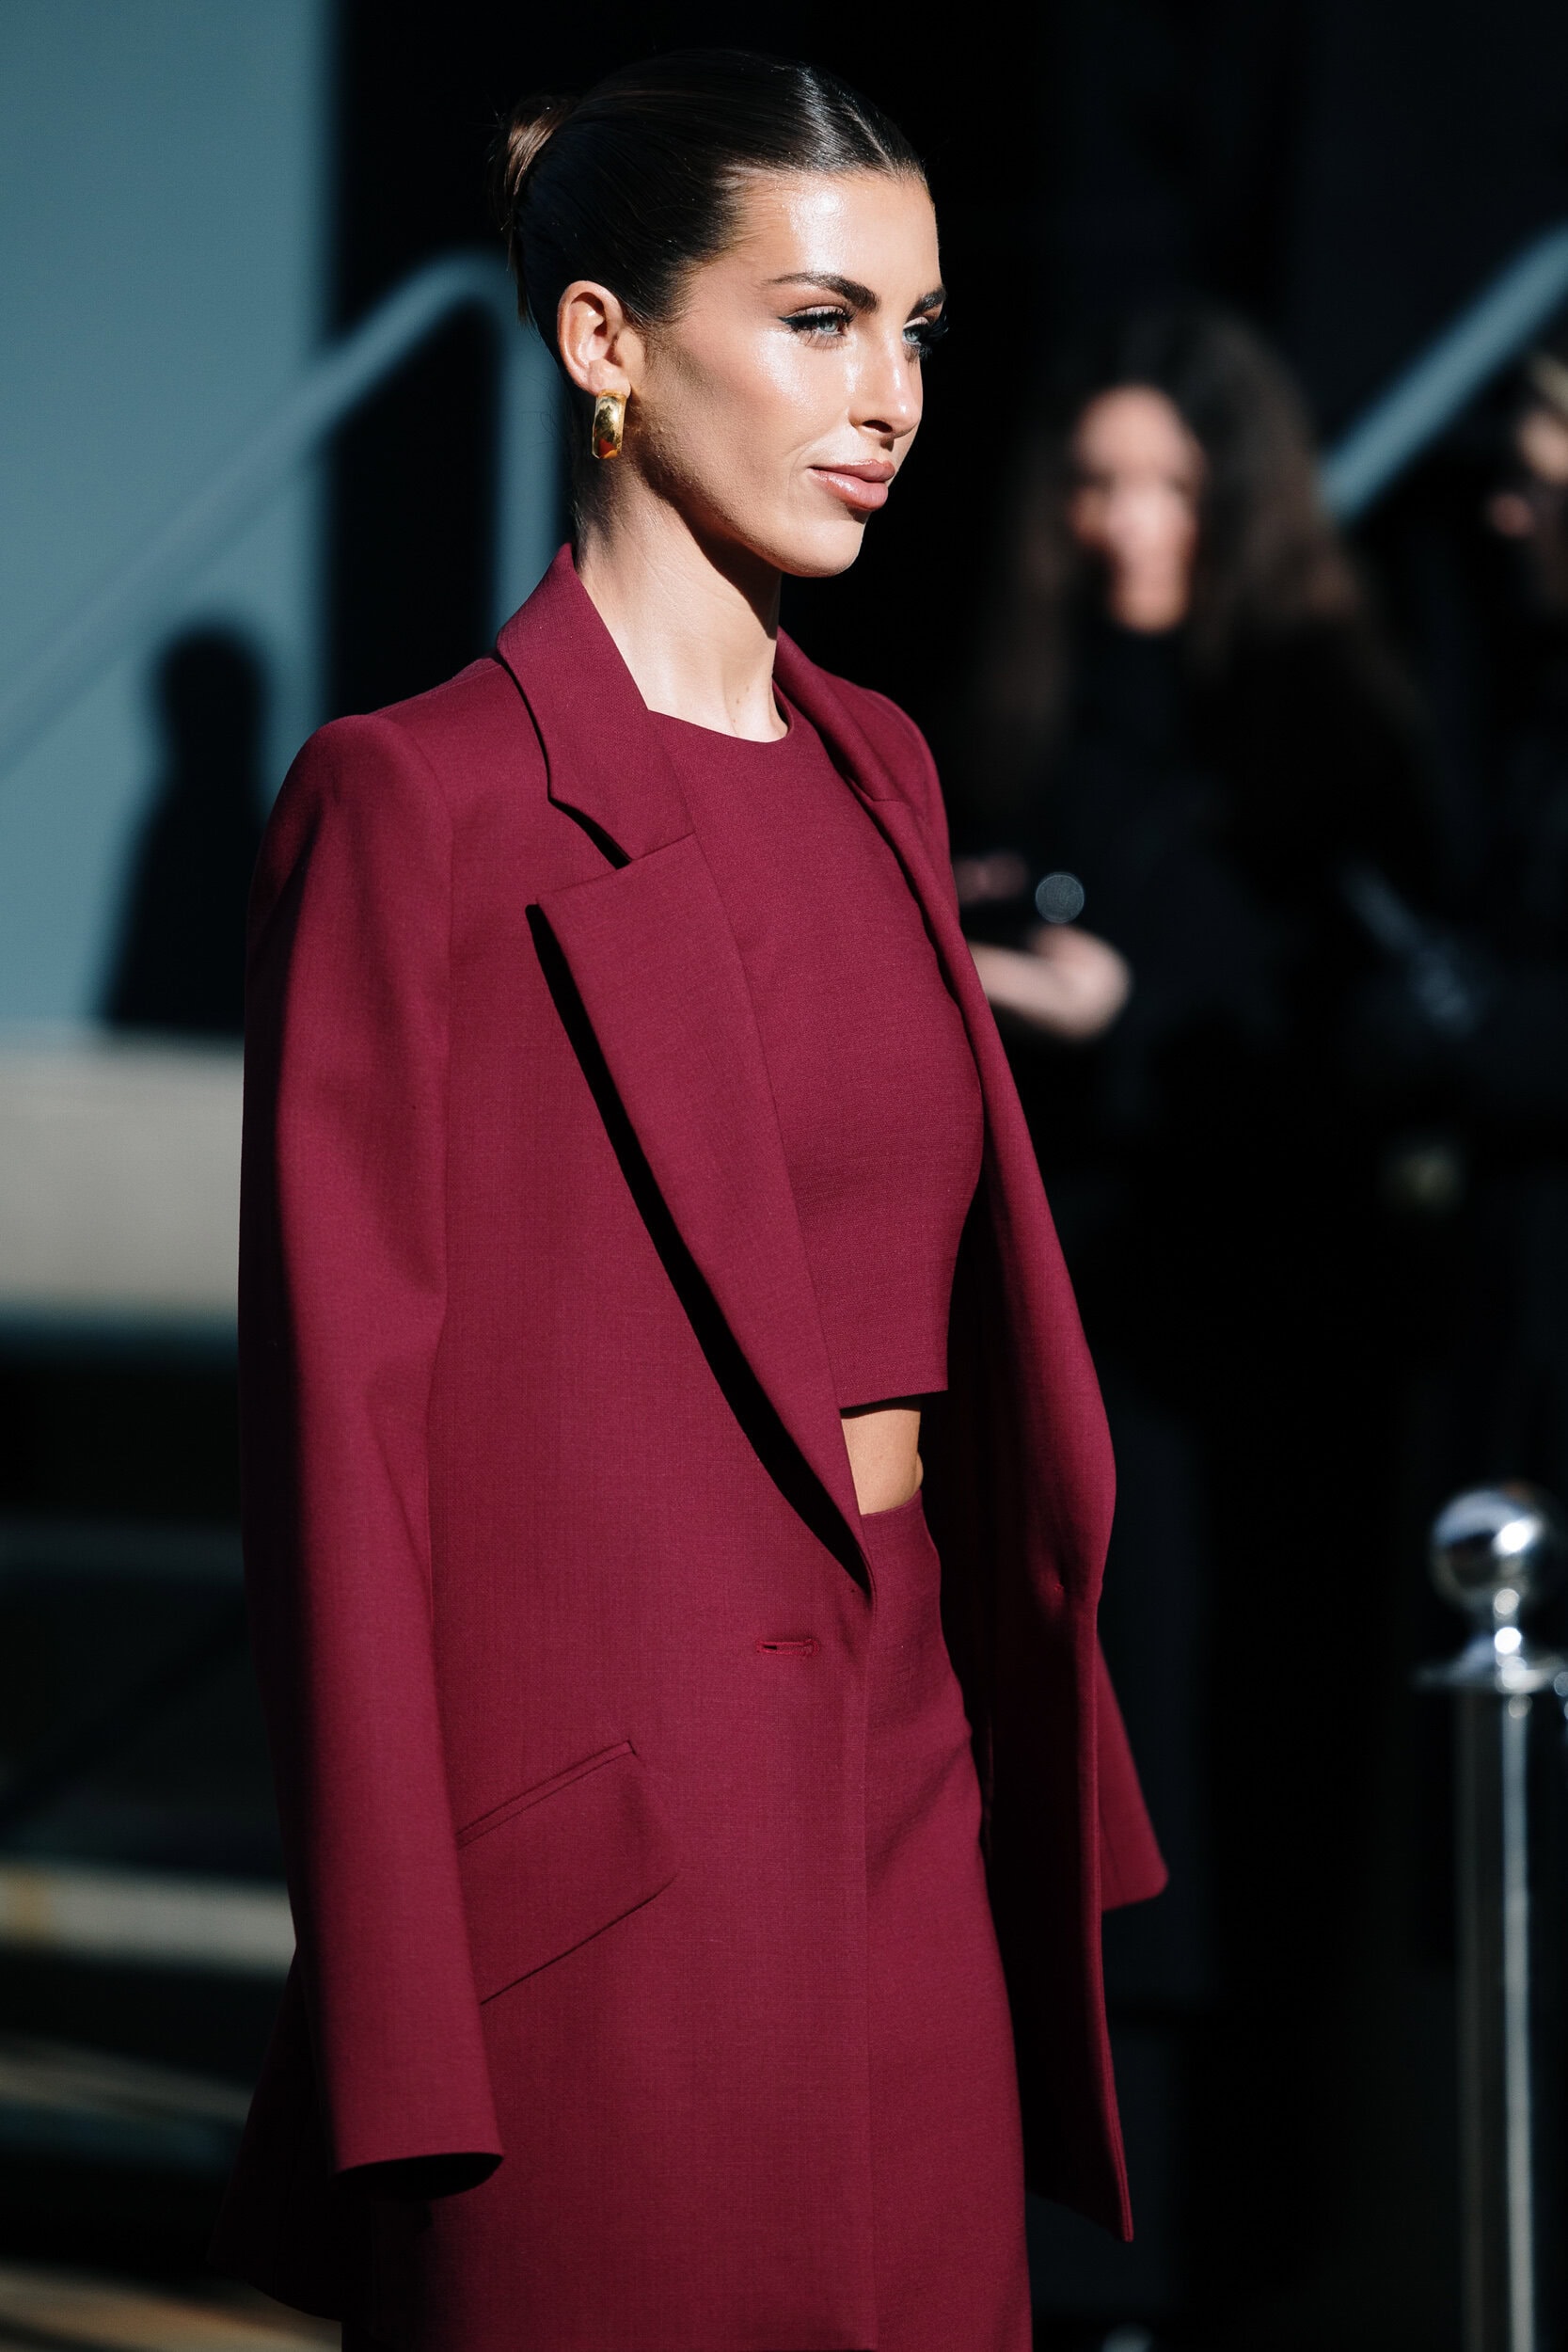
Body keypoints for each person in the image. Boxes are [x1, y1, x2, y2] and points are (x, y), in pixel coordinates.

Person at [209, 52, 1164, 2352]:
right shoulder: (415, 804)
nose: (888, 394)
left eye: (914, 330)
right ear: (605, 342)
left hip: (918, 1790)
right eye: (817, 319)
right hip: (595, 1895)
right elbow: (337, 1451)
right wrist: (395, 2016)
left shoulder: (881, 766)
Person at [959, 306, 1436, 2318]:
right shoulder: (1036, 711)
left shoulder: (1322, 726)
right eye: (1094, 484)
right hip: (1070, 1319)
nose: (1126, 524)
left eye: (1167, 484)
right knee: (1075, 1767)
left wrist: (1125, 1010)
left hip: (1245, 1346)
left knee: (1232, 1784)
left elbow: (1350, 1042)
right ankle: (1086, 2255)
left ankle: (1224, 2251)